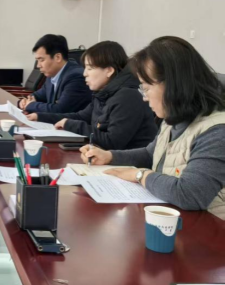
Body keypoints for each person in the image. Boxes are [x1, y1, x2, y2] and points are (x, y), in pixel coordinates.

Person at [82, 37, 225, 218]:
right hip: (174, 217)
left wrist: (140, 175)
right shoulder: (173, 118)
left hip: (210, 227)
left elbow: (189, 194)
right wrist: (109, 156)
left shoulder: (217, 131)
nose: (144, 97)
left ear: (173, 85)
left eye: (146, 87)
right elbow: (151, 154)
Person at [27, 41, 158, 150]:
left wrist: (71, 124)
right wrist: (40, 116)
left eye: (90, 68)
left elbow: (112, 141)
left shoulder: (127, 97)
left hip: (128, 166)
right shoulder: (104, 93)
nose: (84, 73)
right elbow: (81, 116)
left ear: (109, 71)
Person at [18, 34, 92, 114]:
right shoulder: (52, 74)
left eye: (41, 60)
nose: (38, 65)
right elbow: (38, 95)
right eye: (37, 60)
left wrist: (30, 105)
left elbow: (60, 110)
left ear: (58, 57)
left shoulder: (76, 77)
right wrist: (24, 101)